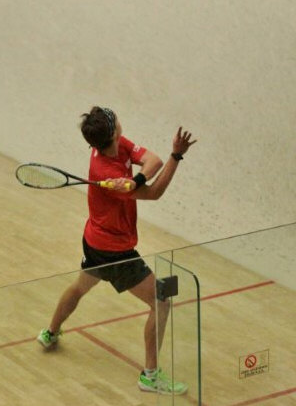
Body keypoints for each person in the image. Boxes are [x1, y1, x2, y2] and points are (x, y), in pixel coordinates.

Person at [37, 106, 196, 395]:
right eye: (117, 121)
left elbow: (153, 161)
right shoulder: (104, 172)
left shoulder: (115, 144)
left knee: (81, 287)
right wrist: (177, 156)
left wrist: (134, 181)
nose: (121, 122)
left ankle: (50, 332)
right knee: (161, 301)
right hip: (115, 252)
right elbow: (155, 192)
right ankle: (150, 376)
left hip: (94, 240)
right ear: (112, 132)